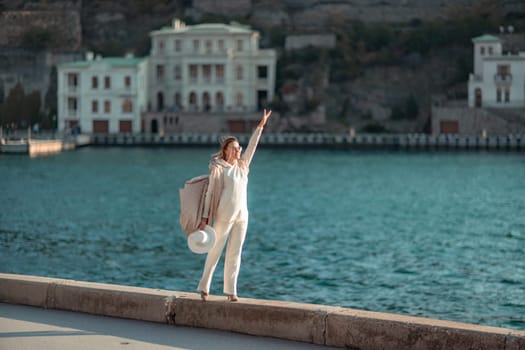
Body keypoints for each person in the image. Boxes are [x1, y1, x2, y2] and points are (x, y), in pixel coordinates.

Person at [197, 109, 272, 302]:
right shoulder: (219, 169)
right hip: (224, 215)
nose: (238, 150)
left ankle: (231, 291)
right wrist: (205, 218)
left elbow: (253, 147)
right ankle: (204, 287)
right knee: (215, 251)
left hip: (242, 216)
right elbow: (210, 194)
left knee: (235, 253)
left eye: (239, 148)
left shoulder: (243, 166)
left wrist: (260, 126)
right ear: (226, 151)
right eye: (235, 148)